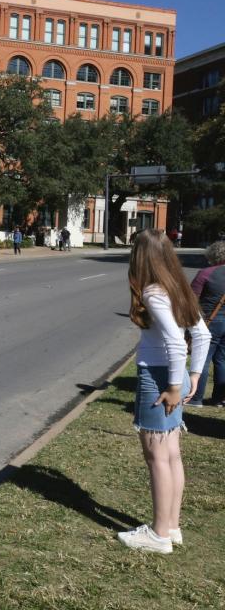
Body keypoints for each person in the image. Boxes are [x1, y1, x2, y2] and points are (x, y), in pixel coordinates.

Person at [117, 229, 210, 554]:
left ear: (140, 257)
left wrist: (174, 385)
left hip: (159, 378)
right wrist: (193, 376)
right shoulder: (178, 287)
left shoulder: (154, 292)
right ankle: (171, 526)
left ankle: (158, 535)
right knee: (171, 455)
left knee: (157, 456)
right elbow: (202, 335)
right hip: (175, 376)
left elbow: (174, 341)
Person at [189, 241, 225, 407]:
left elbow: (190, 299)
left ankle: (196, 397)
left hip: (210, 320)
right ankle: (219, 398)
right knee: (222, 360)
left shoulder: (206, 273)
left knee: (202, 358)